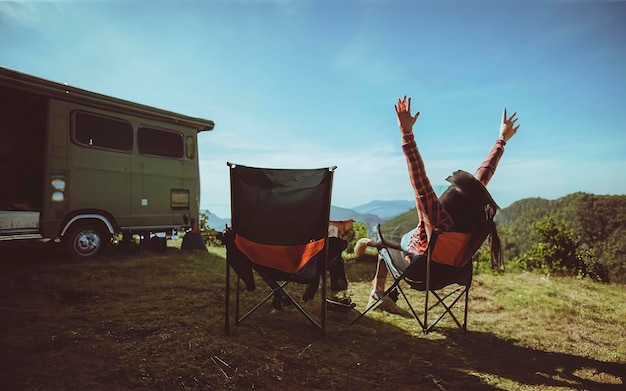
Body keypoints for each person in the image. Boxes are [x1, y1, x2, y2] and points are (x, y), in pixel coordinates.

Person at [366, 96, 519, 314]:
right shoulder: (475, 219)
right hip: (451, 275)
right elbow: (482, 178)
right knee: (412, 236)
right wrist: (501, 139)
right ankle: (385, 295)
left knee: (385, 246)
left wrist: (406, 133)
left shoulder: (438, 218)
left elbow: (419, 178)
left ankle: (378, 293)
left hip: (419, 274)